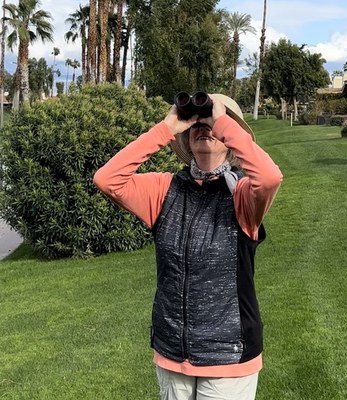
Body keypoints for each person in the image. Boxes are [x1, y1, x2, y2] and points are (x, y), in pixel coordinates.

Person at [93, 93, 283, 400]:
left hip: (229, 355)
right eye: (196, 124)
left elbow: (270, 177)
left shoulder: (242, 195)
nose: (203, 128)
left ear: (229, 137)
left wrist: (222, 123)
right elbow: (107, 179)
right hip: (172, 352)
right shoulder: (164, 190)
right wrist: (167, 127)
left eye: (212, 123)